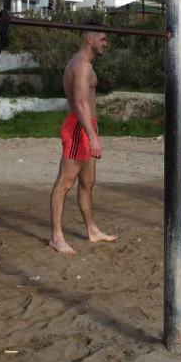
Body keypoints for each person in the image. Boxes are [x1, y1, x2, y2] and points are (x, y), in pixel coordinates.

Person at [48, 28, 117, 255]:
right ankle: (56, 237)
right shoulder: (81, 66)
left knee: (88, 182)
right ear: (90, 39)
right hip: (80, 128)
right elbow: (79, 103)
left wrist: (93, 132)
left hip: (87, 127)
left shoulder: (84, 65)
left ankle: (92, 230)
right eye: (103, 39)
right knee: (64, 183)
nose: (105, 43)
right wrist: (92, 136)